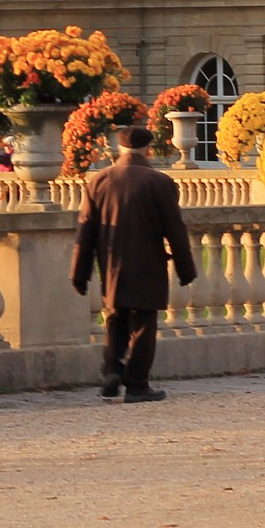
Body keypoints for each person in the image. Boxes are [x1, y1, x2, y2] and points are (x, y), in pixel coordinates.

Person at [72, 124, 197, 404]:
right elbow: (175, 229)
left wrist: (79, 273)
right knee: (143, 322)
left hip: (112, 262)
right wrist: (185, 268)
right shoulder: (160, 182)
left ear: (119, 148)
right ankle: (137, 383)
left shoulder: (100, 180)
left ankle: (112, 371)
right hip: (148, 262)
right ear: (147, 149)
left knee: (115, 317)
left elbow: (86, 230)